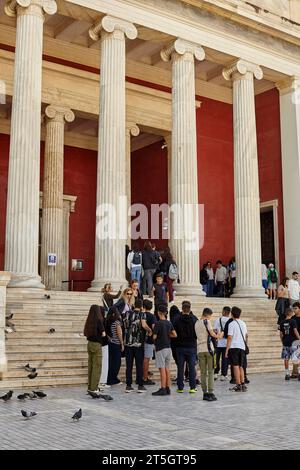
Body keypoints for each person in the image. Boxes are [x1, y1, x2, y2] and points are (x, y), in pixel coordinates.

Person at [123, 298, 152, 393]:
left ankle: (128, 385)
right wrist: (149, 330)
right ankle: (140, 385)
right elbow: (143, 325)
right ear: (142, 307)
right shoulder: (142, 314)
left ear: (134, 305)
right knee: (139, 364)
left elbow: (125, 325)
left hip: (128, 343)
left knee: (129, 365)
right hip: (138, 343)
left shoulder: (127, 313)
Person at [195, 308, 220, 401]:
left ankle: (204, 393)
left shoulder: (196, 323)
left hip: (200, 349)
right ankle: (210, 392)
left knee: (203, 372)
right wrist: (219, 335)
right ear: (208, 315)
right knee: (210, 372)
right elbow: (212, 334)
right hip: (209, 349)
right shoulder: (207, 321)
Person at [173, 300, 198, 393]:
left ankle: (180, 387)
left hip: (180, 346)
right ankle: (192, 387)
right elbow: (197, 332)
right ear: (189, 309)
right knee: (191, 367)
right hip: (191, 346)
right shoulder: (194, 319)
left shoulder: (176, 319)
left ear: (182, 308)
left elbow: (173, 331)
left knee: (180, 367)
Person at [152, 304, 177, 396]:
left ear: (158, 313)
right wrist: (167, 335)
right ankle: (168, 387)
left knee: (161, 368)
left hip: (160, 348)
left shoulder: (158, 323)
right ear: (166, 313)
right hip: (168, 347)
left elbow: (154, 336)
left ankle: (162, 388)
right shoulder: (169, 323)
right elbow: (175, 334)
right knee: (167, 368)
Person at [84, 305, 106, 393]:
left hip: (89, 344)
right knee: (97, 367)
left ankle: (90, 387)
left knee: (91, 366)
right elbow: (103, 334)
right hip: (97, 344)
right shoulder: (99, 320)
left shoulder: (89, 321)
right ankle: (94, 388)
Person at [225, 306, 248, 392]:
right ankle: (243, 384)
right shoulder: (243, 323)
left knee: (235, 366)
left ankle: (238, 384)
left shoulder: (232, 324)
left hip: (234, 347)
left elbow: (229, 337)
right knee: (241, 366)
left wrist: (227, 350)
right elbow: (246, 335)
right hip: (242, 347)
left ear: (232, 314)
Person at [279, 307, 300, 380]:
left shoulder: (281, 322)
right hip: (294, 342)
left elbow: (281, 334)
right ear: (291, 313)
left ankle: (287, 374)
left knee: (286, 359)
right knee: (297, 358)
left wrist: (282, 341)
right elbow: (295, 331)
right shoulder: (293, 321)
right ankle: (299, 373)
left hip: (285, 343)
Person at [106, 306, 124, 386]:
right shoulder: (117, 322)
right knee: (117, 362)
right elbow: (119, 334)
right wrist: (122, 344)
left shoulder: (107, 321)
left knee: (110, 362)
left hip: (110, 344)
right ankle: (113, 379)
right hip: (116, 344)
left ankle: (109, 378)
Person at [213, 306, 231, 380]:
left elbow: (215, 330)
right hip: (227, 343)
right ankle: (224, 374)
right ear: (229, 313)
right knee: (225, 359)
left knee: (216, 358)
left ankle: (216, 373)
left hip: (218, 342)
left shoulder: (218, 320)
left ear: (223, 311)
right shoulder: (230, 321)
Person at [142, 299, 157, 385]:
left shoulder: (141, 315)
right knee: (146, 359)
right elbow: (154, 328)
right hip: (149, 340)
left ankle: (142, 376)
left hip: (141, 339)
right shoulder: (152, 316)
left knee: (142, 359)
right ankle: (145, 378)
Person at [291, 302, 300, 379]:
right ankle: (294, 373)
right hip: (294, 340)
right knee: (295, 357)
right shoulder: (292, 318)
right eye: (293, 308)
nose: (294, 310)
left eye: (296, 308)